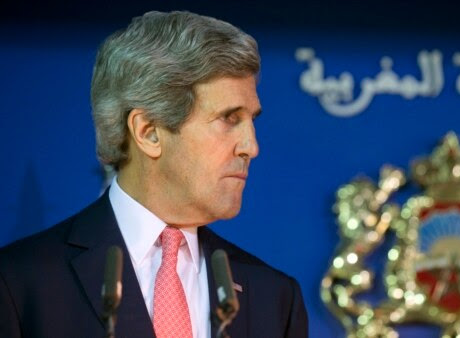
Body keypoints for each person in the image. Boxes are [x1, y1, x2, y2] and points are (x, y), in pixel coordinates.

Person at [0, 11, 308, 338]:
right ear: (149, 133)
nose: (251, 146)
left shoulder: (274, 298)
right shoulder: (19, 284)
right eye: (229, 119)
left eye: (252, 121)